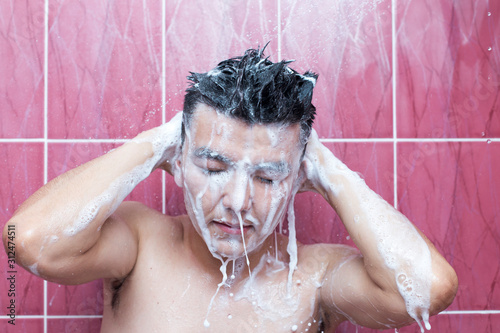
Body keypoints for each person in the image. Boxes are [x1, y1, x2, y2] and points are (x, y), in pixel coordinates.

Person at [3, 47, 457, 332]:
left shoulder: (313, 279)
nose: (239, 202)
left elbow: (427, 289)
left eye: (266, 177)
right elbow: (24, 240)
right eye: (214, 166)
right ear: (177, 163)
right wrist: (158, 143)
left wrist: (327, 171)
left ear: (297, 179)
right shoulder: (142, 247)